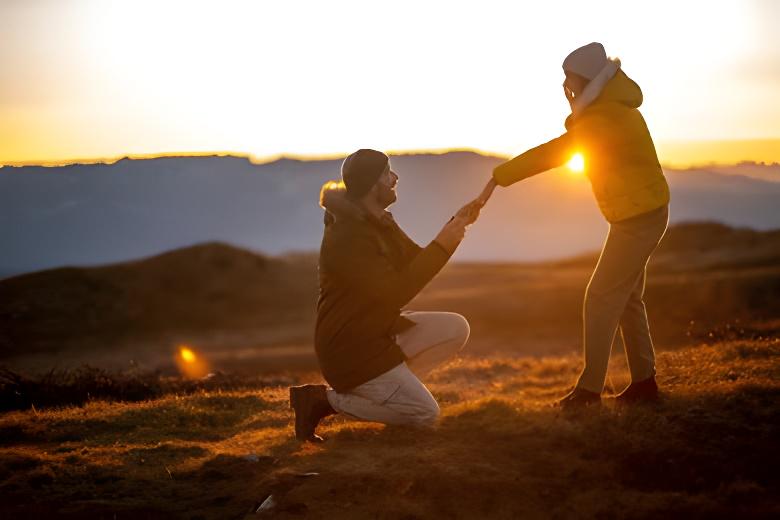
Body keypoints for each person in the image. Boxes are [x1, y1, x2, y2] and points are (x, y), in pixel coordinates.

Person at [485, 42, 670, 409]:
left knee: (600, 297)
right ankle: (644, 384)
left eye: (570, 82)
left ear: (586, 82)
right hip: (639, 212)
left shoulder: (604, 118)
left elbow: (557, 151)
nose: (567, 90)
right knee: (629, 299)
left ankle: (589, 392)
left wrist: (500, 176)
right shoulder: (610, 108)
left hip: (638, 218)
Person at [289, 149, 483, 442]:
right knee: (426, 415)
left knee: (455, 328)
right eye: (387, 173)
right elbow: (394, 292)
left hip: (378, 334)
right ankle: (324, 402)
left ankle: (394, 395)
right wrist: (443, 245)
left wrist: (454, 226)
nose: (395, 178)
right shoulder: (348, 237)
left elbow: (414, 262)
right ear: (371, 184)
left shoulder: (379, 221)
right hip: (351, 351)